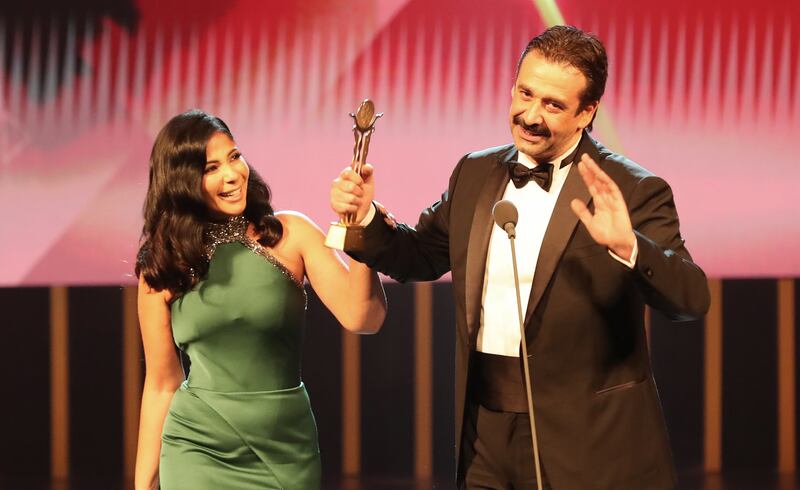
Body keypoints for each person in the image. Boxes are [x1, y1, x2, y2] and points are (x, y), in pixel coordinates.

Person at [330, 25, 710, 489]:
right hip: (485, 436)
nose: (530, 115)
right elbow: (421, 256)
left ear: (587, 111)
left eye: (553, 105)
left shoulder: (631, 188)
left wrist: (629, 246)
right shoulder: (474, 171)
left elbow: (690, 299)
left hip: (591, 444)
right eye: (524, 93)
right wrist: (365, 217)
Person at [134, 109, 387, 490]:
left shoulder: (290, 234)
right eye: (211, 167)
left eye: (234, 157)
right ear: (182, 182)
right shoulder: (165, 264)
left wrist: (360, 227)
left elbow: (363, 318)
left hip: (285, 447)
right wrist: (143, 484)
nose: (233, 175)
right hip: (197, 448)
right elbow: (161, 384)